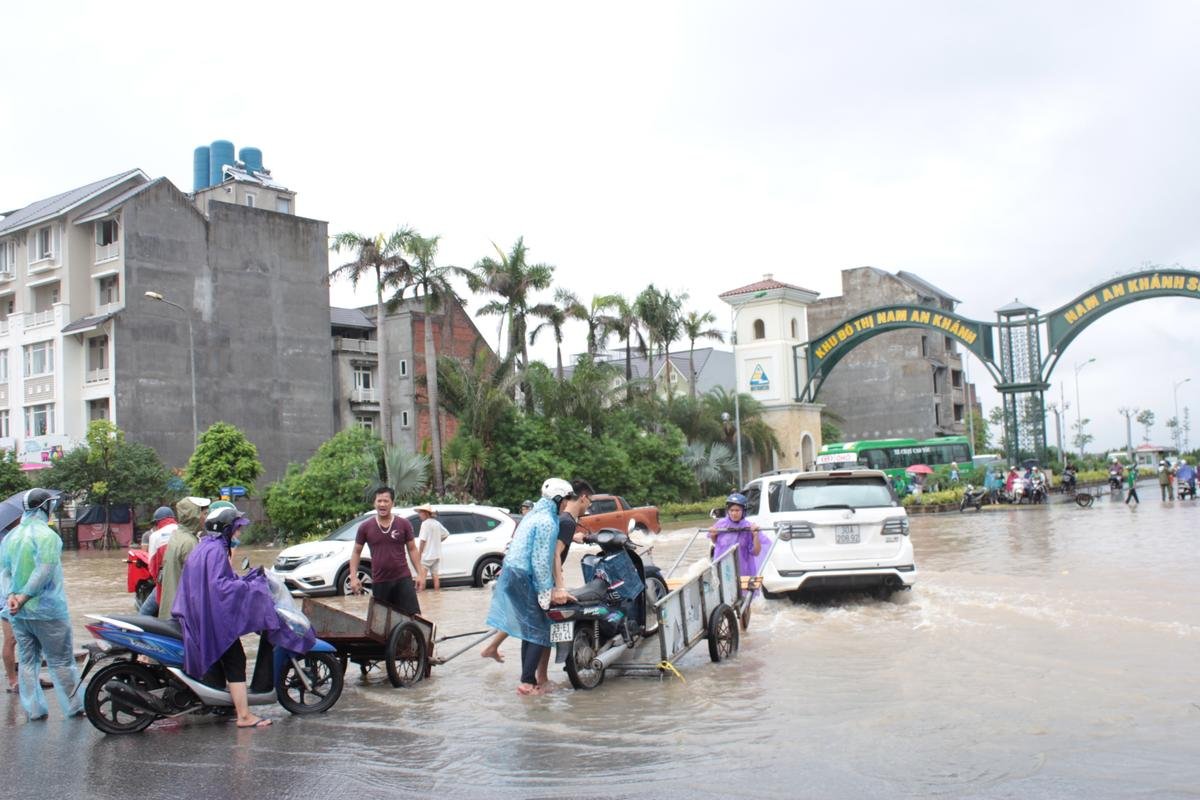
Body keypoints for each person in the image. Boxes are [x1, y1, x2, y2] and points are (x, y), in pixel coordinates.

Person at [173, 506, 314, 729]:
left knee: (227, 661)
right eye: (236, 530)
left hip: (199, 615)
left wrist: (242, 581)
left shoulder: (204, 548)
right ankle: (244, 716)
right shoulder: (217, 550)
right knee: (236, 660)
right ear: (226, 529)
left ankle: (224, 705)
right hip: (212, 619)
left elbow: (216, 582)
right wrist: (251, 587)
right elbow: (221, 588)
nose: (238, 534)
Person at [481, 480, 593, 678]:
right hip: (527, 575)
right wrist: (554, 588)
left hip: (513, 571)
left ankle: (533, 679)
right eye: (566, 499)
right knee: (541, 628)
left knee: (530, 626)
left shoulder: (535, 514)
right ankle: (532, 681)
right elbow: (547, 557)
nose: (567, 504)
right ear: (560, 499)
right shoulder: (551, 521)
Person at [0, 489, 83, 720]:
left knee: (27, 662)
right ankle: (75, 707)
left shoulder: (10, 537)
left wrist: (11, 597)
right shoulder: (48, 536)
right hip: (48, 613)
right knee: (62, 662)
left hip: (19, 613)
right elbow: (44, 571)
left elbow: (4, 571)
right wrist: (24, 596)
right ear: (46, 507)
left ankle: (34, 711)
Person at [349, 487, 422, 615]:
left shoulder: (403, 524)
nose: (382, 504)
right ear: (374, 503)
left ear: (392, 503)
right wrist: (353, 577)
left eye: (386, 501)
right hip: (380, 581)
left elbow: (412, 549)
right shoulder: (365, 527)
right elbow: (356, 552)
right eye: (379, 501)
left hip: (402, 578)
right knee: (381, 624)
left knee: (414, 618)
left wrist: (420, 574)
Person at [158, 497, 209, 621]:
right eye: (204, 514)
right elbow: (197, 583)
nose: (206, 518)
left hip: (170, 609)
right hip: (181, 613)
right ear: (194, 516)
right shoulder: (189, 542)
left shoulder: (177, 535)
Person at [708, 492, 772, 580]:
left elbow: (756, 552)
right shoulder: (721, 524)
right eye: (731, 510)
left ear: (743, 511)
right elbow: (716, 542)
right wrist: (712, 534)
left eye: (737, 510)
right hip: (724, 569)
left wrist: (755, 535)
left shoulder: (749, 527)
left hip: (743, 570)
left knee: (743, 592)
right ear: (728, 511)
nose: (734, 513)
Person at [139, 506, 178, 616]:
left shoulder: (155, 536)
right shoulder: (184, 532)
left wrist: (158, 581)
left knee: (144, 612)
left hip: (166, 582)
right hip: (185, 582)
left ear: (157, 522)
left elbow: (153, 566)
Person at [415, 505, 450, 591]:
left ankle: (422, 599)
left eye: (420, 513)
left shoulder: (425, 524)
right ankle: (437, 596)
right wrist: (437, 541)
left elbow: (422, 541)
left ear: (426, 513)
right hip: (436, 555)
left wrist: (419, 554)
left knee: (422, 577)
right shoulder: (436, 523)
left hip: (427, 555)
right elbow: (446, 534)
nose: (419, 515)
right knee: (435, 577)